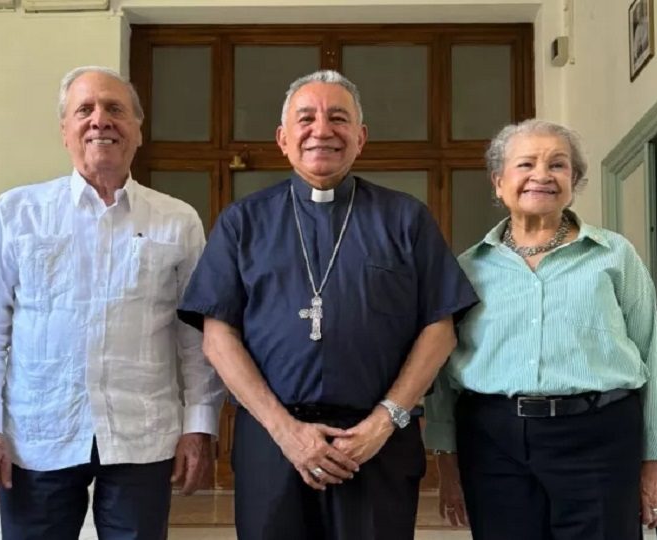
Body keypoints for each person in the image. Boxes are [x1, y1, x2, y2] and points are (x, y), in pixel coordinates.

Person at [177, 70, 479, 540]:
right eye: (306, 118)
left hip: (377, 443)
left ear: (360, 138)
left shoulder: (405, 219)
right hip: (272, 441)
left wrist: (384, 422)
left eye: (339, 118)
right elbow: (218, 338)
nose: (322, 130)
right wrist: (286, 432)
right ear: (283, 138)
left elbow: (439, 327)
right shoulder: (243, 222)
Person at [0, 66, 225, 540]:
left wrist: (199, 424)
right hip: (36, 433)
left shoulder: (177, 221)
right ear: (65, 131)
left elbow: (196, 336)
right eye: (85, 110)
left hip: (143, 434)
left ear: (138, 129)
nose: (101, 120)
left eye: (115, 109)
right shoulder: (19, 213)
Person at [424, 119, 657, 539]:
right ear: (498, 182)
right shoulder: (468, 268)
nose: (541, 175)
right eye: (525, 164)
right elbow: (444, 374)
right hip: (493, 439)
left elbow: (652, 352)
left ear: (575, 180)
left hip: (598, 435)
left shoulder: (614, 255)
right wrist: (447, 462)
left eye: (558, 165)